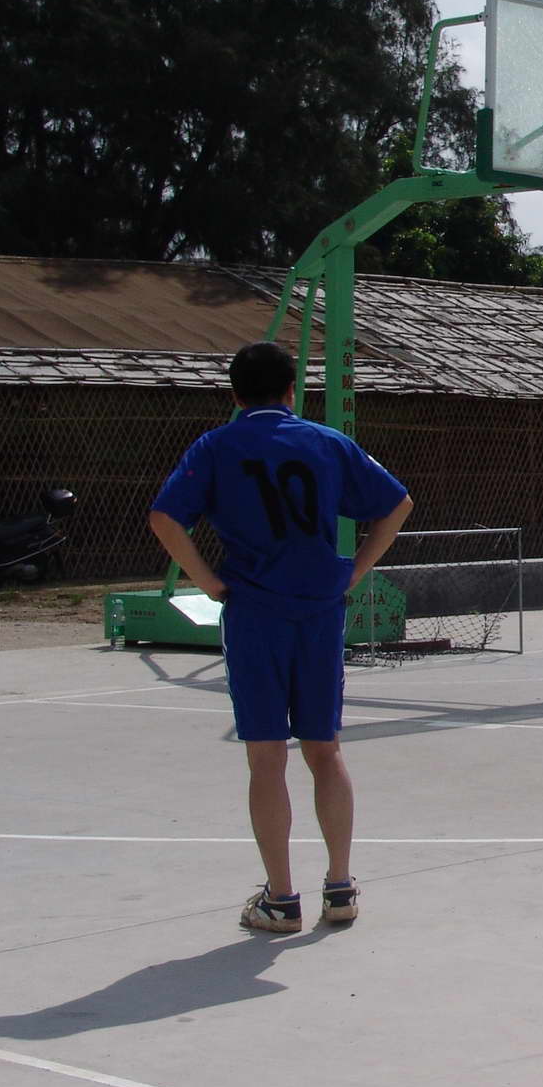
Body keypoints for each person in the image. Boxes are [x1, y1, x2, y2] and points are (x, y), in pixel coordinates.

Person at [149, 340, 413, 933]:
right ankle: (340, 886)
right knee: (325, 749)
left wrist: (209, 581)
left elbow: (164, 518)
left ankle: (282, 898)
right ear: (293, 390)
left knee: (266, 756)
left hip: (255, 611)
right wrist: (356, 569)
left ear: (234, 393)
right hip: (319, 609)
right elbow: (397, 503)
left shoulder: (216, 446)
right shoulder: (326, 442)